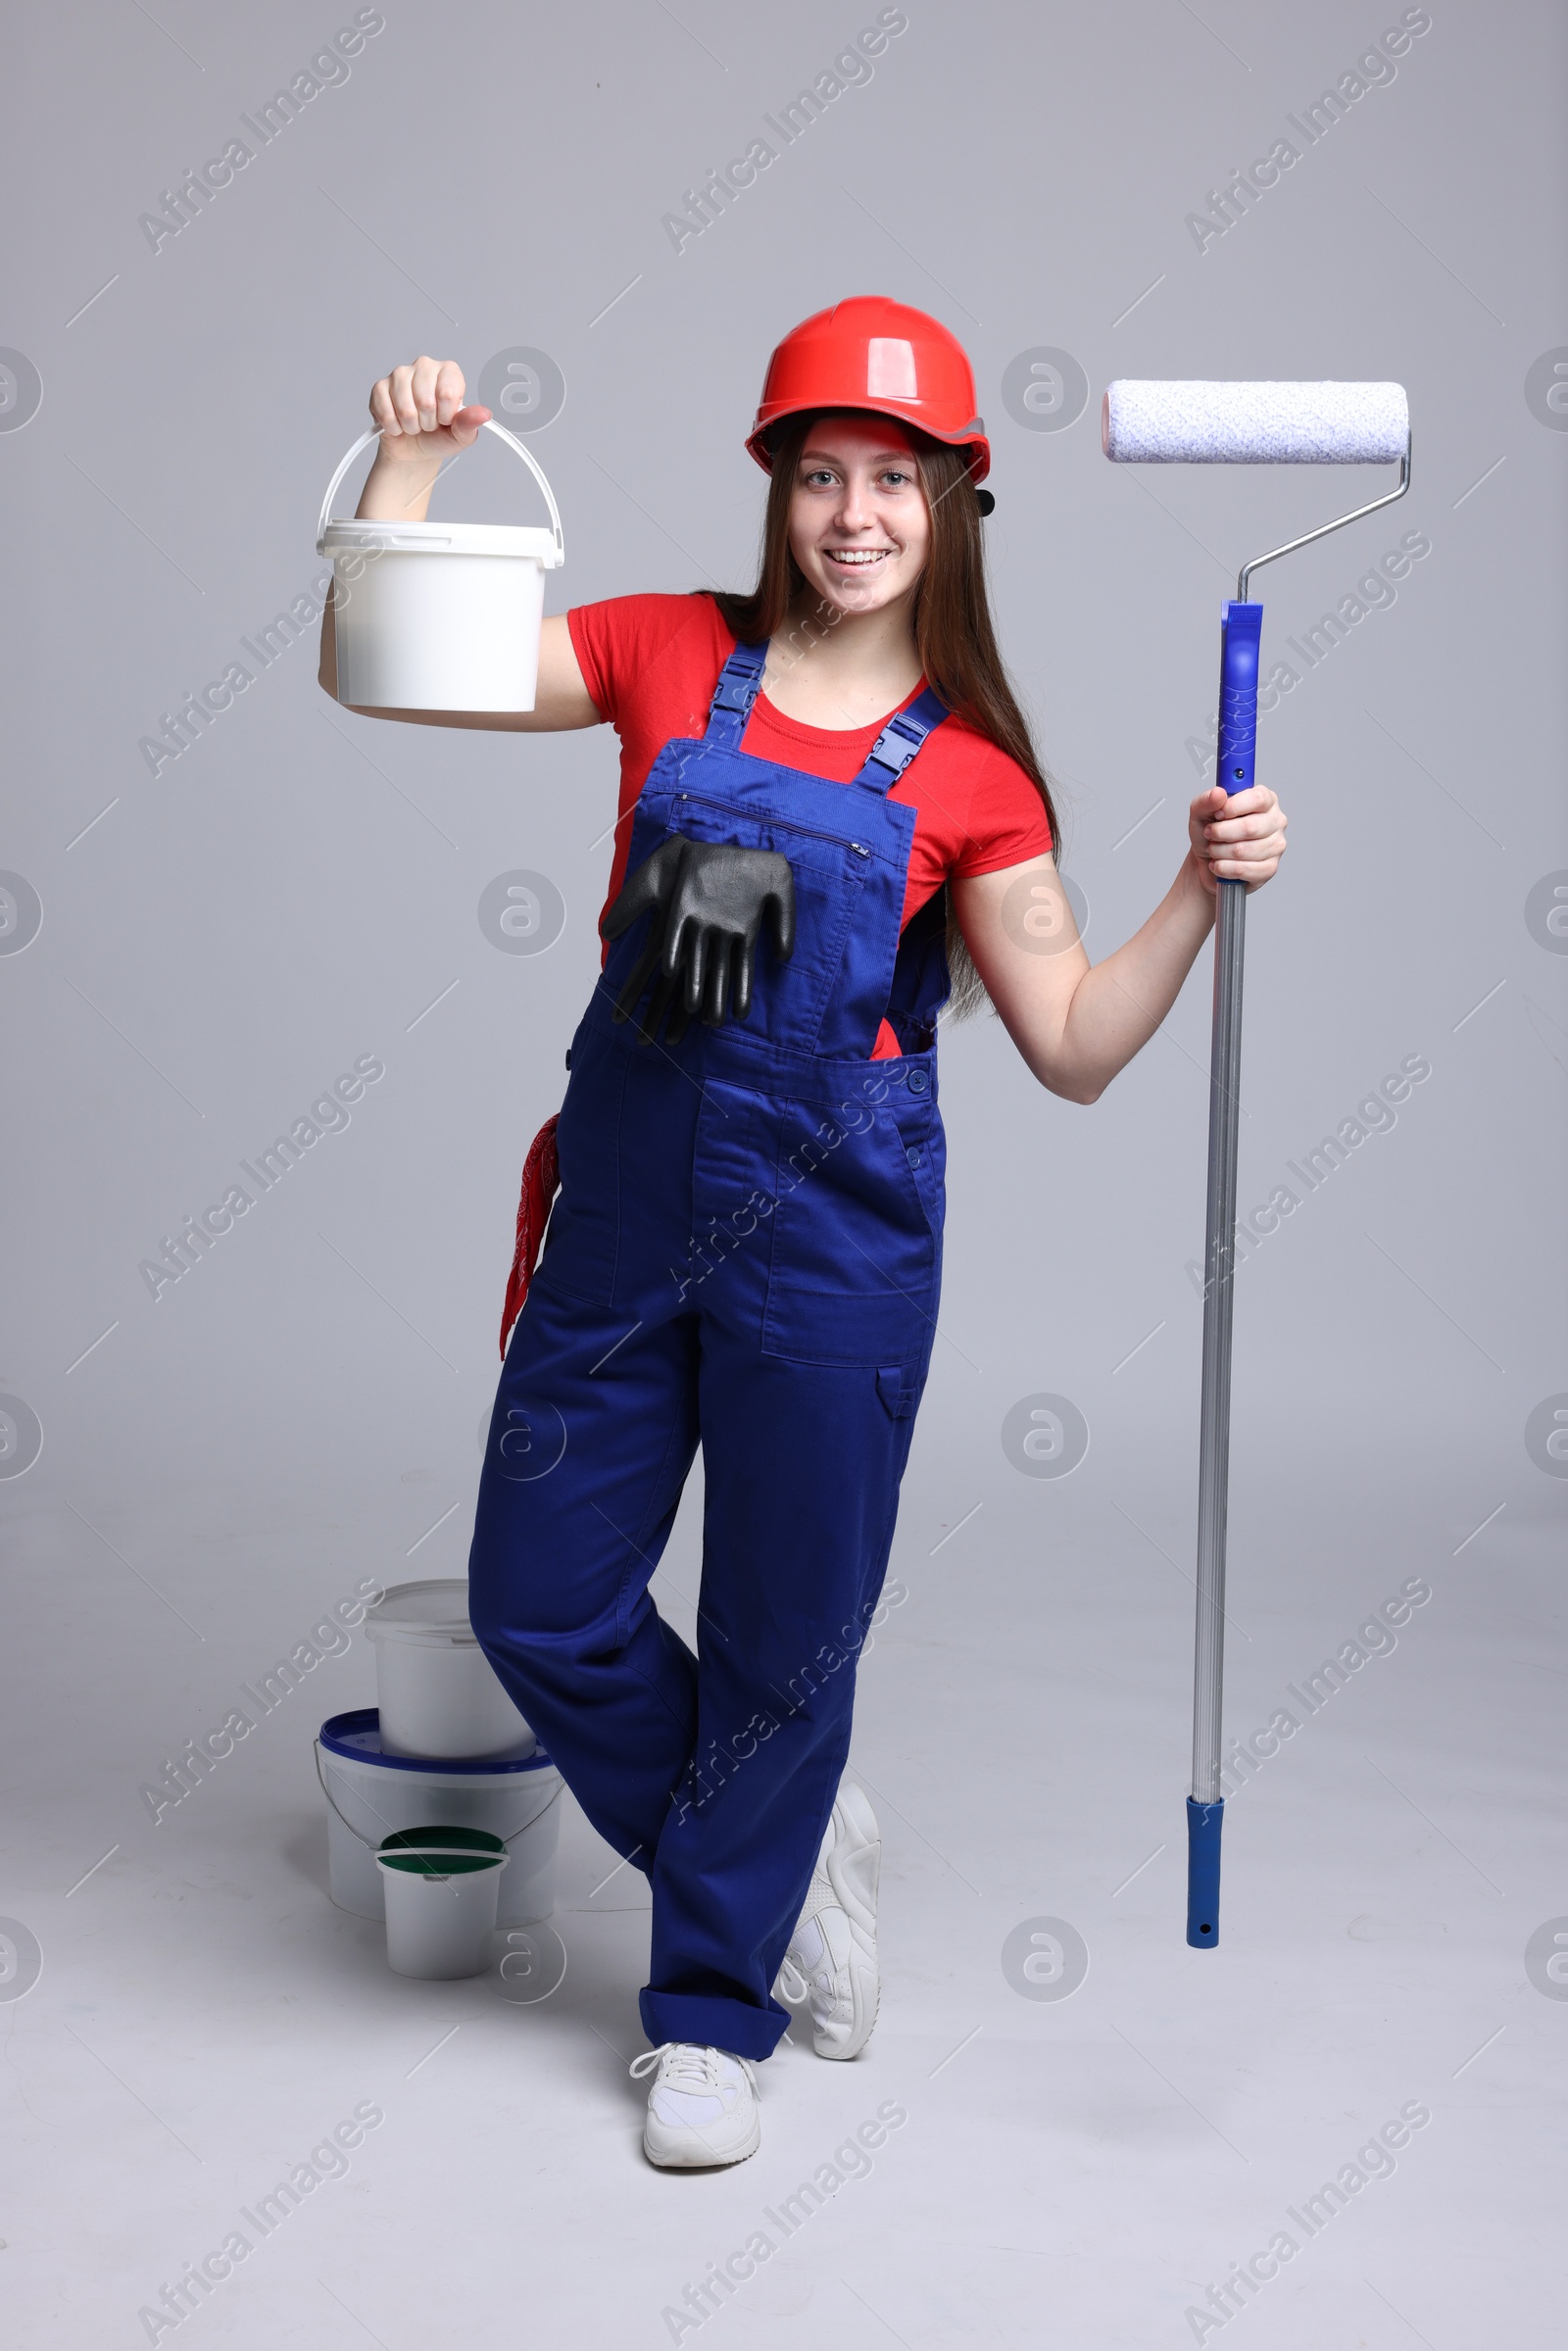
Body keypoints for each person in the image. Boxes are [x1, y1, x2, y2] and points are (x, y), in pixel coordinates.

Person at [317, 298, 1287, 2170]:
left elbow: (1073, 1044)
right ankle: (775, 1833)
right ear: (777, 487)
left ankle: (709, 2009)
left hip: (827, 1250)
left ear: (953, 507)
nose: (857, 513)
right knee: (540, 1598)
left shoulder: (976, 781)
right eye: (824, 475)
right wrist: (416, 468)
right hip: (621, 1215)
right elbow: (382, 669)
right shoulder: (668, 651)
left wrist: (1198, 889)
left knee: (783, 1642)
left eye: (895, 481)